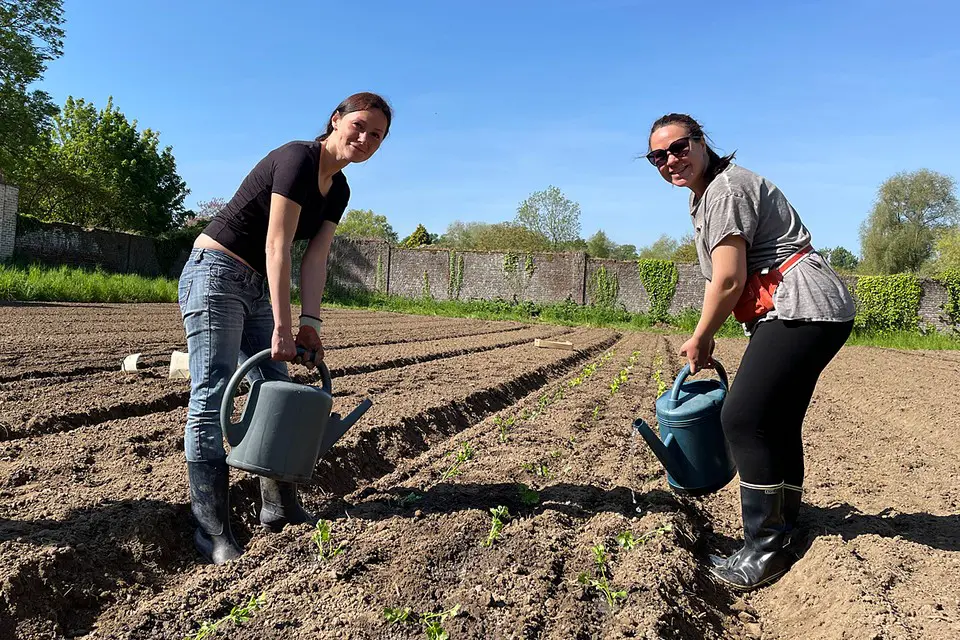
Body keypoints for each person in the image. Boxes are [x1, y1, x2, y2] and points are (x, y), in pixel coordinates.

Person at [177, 92, 392, 564]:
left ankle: (278, 507)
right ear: (335, 120)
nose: (365, 138)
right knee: (212, 392)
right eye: (358, 125)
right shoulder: (298, 158)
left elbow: (316, 257)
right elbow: (277, 244)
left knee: (276, 389)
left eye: (376, 135)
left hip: (256, 283)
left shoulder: (339, 190)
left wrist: (310, 324)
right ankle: (211, 530)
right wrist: (282, 325)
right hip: (216, 273)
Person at [645, 114, 855, 590]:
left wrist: (702, 335)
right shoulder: (706, 195)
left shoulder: (725, 190)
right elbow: (722, 278)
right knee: (776, 422)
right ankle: (783, 528)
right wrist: (707, 331)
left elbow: (728, 278)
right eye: (658, 156)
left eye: (679, 148)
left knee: (742, 419)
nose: (670, 161)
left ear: (702, 142)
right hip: (808, 307)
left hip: (802, 306)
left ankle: (764, 548)